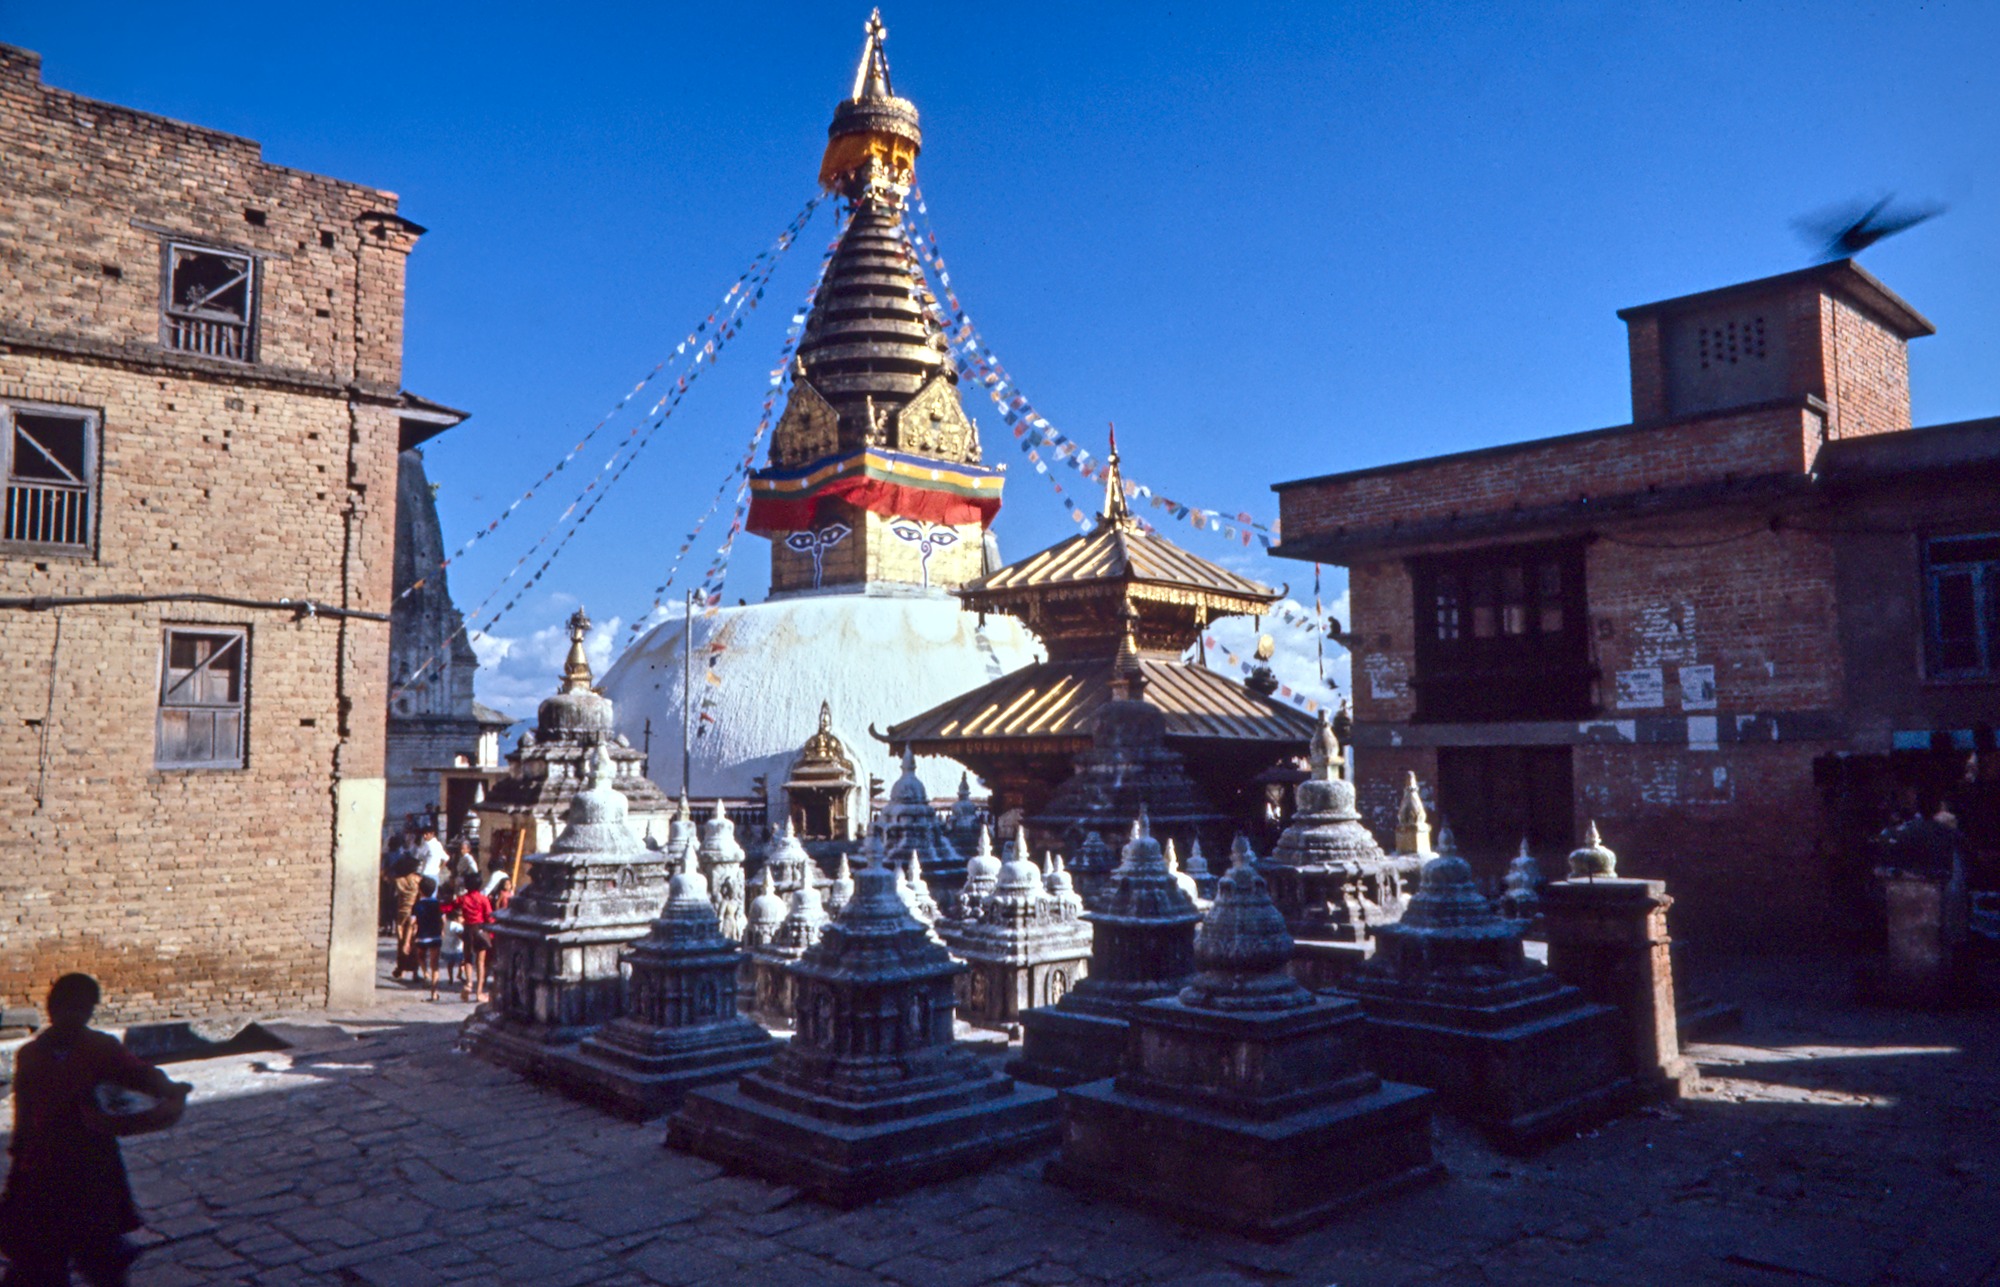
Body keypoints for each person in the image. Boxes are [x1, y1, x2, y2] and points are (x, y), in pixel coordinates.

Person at [0, 974, 192, 1287]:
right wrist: (19, 1160)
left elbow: (138, 1073)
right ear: (52, 1008)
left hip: (93, 1167)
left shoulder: (100, 1047)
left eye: (84, 1009)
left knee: (103, 1261)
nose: (78, 1016)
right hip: (42, 1172)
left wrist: (169, 1087)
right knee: (39, 1265)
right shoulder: (31, 1056)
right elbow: (24, 1116)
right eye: (71, 1008)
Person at [446, 877, 498, 1003]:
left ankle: (468, 983)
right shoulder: (483, 899)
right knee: (480, 963)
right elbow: (489, 917)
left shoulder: (463, 898)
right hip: (480, 930)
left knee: (468, 959)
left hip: (468, 930)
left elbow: (449, 907)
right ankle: (479, 992)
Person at [410, 877, 445, 1001]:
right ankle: (434, 993)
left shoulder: (418, 905)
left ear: (420, 890)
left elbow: (412, 921)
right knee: (435, 965)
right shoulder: (437, 904)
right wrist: (442, 930)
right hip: (435, 936)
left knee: (420, 957)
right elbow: (443, 919)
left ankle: (425, 973)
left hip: (422, 937)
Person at [388, 856, 423, 982]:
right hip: (414, 913)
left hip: (402, 913)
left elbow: (387, 876)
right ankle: (415, 972)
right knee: (414, 942)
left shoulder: (399, 881)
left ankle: (401, 969)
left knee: (401, 941)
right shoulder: (418, 880)